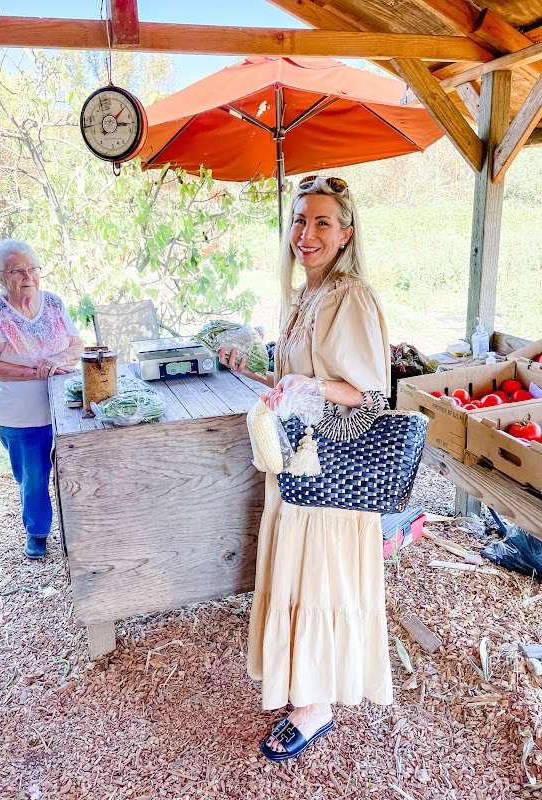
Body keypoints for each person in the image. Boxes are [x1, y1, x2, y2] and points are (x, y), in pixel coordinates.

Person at [220, 176, 392, 761]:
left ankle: (316, 706)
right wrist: (255, 372)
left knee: (319, 578)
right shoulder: (304, 297)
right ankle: (303, 683)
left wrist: (309, 383)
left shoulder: (351, 297)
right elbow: (299, 389)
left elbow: (370, 397)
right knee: (299, 575)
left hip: (331, 472)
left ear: (346, 234)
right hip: (299, 463)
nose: (306, 233)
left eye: (322, 222)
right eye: (299, 220)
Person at [0, 239, 84, 560]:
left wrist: (58, 358)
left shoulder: (53, 302)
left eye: (33, 268)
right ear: (0, 277)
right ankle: (38, 531)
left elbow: (76, 345)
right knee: (33, 477)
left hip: (65, 407)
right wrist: (39, 372)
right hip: (21, 416)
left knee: (74, 470)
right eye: (17, 270)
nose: (28, 276)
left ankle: (77, 528)